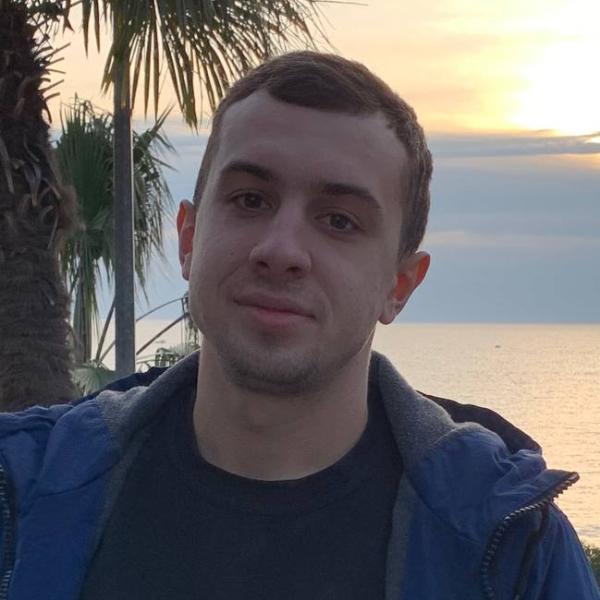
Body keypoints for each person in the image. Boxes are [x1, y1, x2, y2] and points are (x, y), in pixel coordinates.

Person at [0, 52, 597, 600]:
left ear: (400, 286)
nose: (281, 250)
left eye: (339, 220)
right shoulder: (21, 498)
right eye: (250, 200)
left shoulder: (516, 553)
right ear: (188, 239)